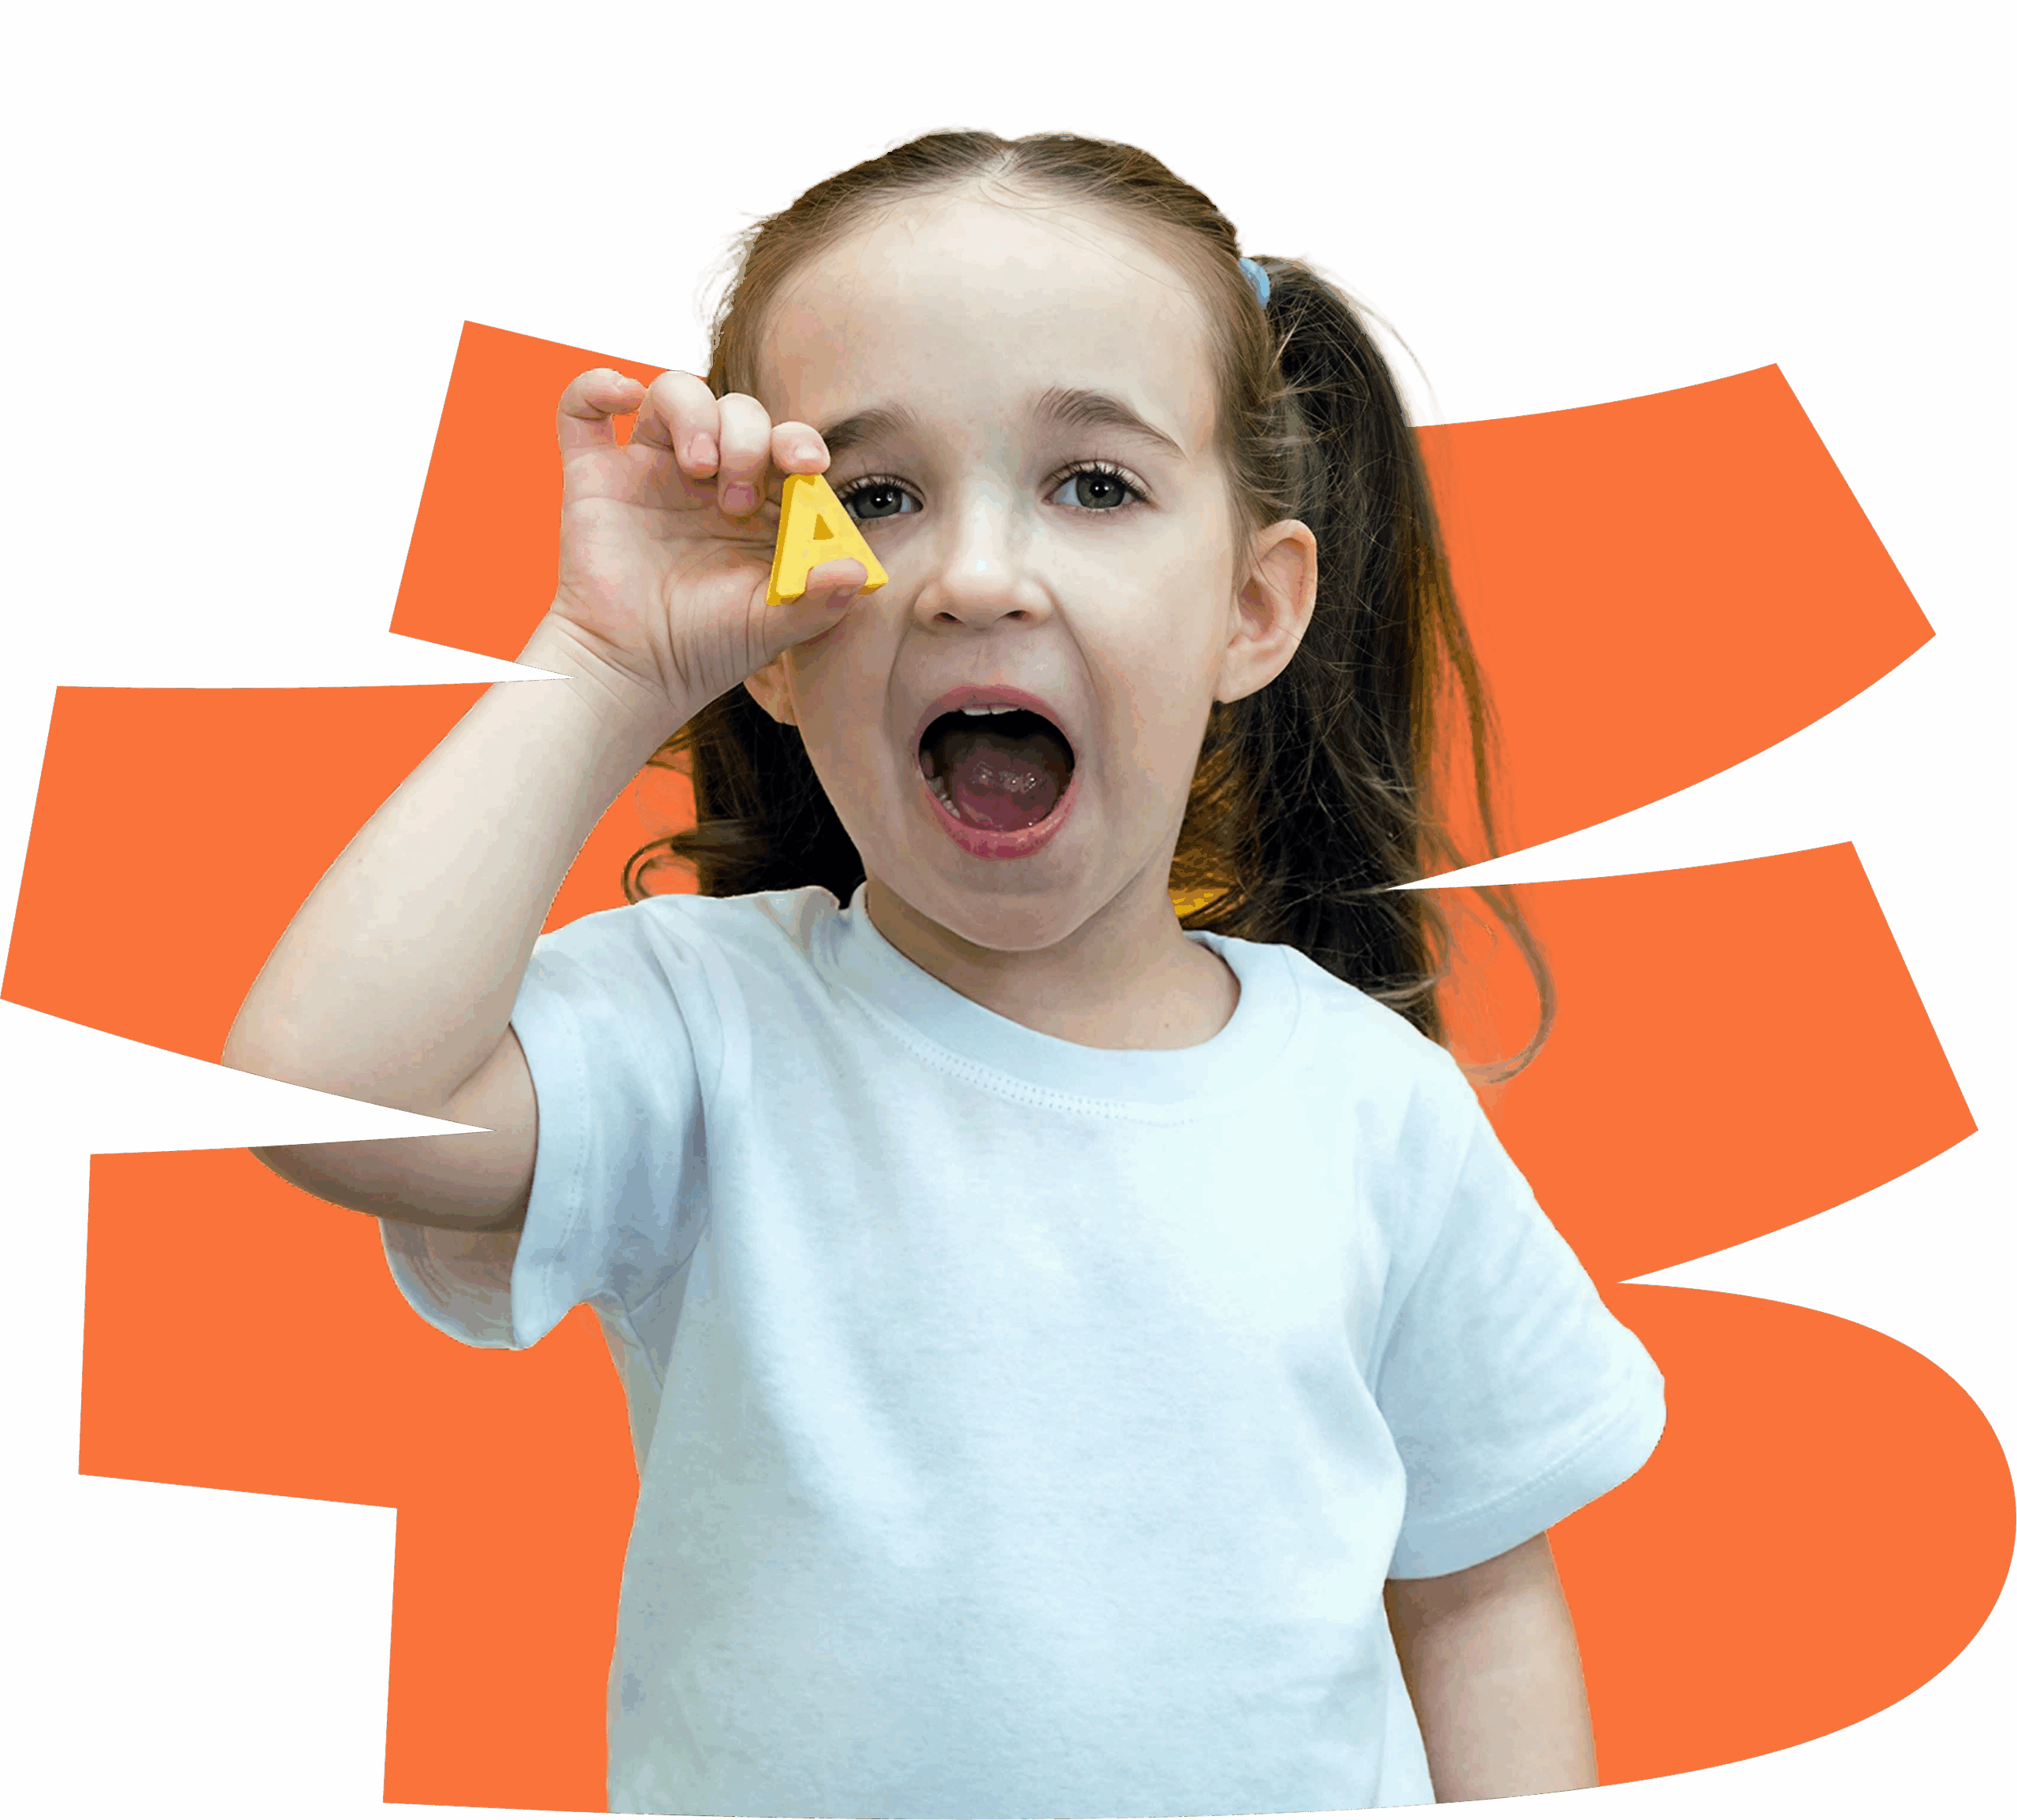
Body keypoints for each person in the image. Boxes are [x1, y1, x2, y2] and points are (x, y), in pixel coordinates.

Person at [224, 128, 1665, 1818]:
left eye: (1094, 484)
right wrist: (606, 661)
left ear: (1251, 612)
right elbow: (323, 1103)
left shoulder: (1367, 1108)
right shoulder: (703, 1030)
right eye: (879, 497)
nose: (975, 576)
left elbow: (1480, 1601)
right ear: (772, 625)